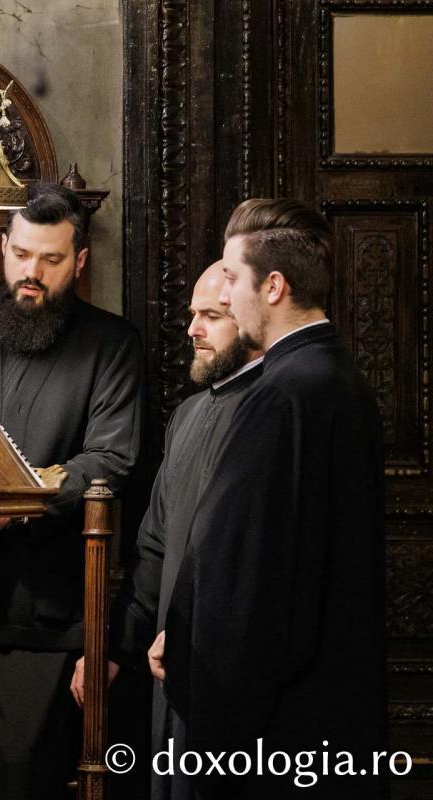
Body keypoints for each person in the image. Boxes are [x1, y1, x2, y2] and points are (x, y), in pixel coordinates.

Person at [162, 199, 387, 798]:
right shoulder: (340, 379)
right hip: (332, 707)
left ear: (274, 286)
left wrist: (186, 646)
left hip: (278, 732)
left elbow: (243, 574)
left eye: (232, 279)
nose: (226, 296)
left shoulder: (280, 396)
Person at [0, 182, 144, 798]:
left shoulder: (112, 344)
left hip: (51, 614)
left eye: (51, 259)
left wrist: (14, 508)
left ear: (79, 262)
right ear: (3, 249)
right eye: (23, 254)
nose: (33, 272)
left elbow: (111, 459)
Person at [72, 261, 264, 800]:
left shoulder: (271, 412)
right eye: (192, 315)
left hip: (229, 667)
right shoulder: (189, 414)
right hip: (170, 665)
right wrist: (112, 647)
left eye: (212, 317)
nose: (193, 330)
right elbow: (154, 548)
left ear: (253, 318)